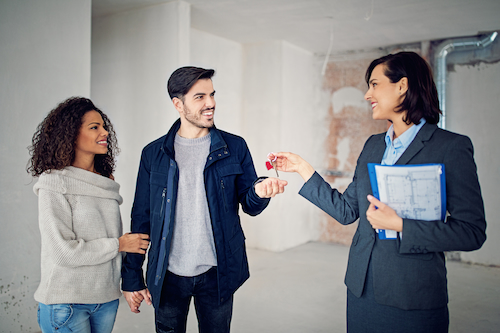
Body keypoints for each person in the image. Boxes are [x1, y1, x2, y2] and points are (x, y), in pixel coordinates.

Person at [270, 52, 486, 333]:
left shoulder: (451, 147)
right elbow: (347, 211)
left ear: (402, 86)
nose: (366, 94)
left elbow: (471, 232)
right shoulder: (373, 145)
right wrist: (302, 169)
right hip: (362, 288)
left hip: (412, 295)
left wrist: (400, 225)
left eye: (374, 84)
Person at [121, 66, 287, 333]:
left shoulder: (235, 147)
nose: (210, 103)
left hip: (217, 273)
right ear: (178, 104)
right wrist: (131, 277)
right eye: (200, 97)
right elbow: (141, 217)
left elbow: (249, 203)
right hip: (168, 274)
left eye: (212, 94)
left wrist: (260, 192)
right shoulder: (153, 154)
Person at [27, 97, 150, 333]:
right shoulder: (54, 183)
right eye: (94, 127)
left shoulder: (105, 183)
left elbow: (110, 239)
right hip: (65, 303)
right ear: (71, 134)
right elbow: (63, 252)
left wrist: (132, 280)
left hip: (106, 299)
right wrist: (119, 244)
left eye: (104, 126)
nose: (104, 132)